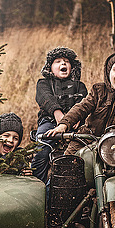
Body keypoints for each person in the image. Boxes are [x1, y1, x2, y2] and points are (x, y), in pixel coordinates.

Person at [31, 46, 87, 182]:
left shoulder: (80, 86)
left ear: (72, 67)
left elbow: (83, 103)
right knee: (42, 149)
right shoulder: (43, 83)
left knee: (87, 152)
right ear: (50, 68)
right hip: (49, 122)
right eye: (58, 61)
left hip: (75, 125)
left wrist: (78, 118)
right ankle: (38, 182)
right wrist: (58, 115)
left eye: (66, 61)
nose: (63, 64)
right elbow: (46, 98)